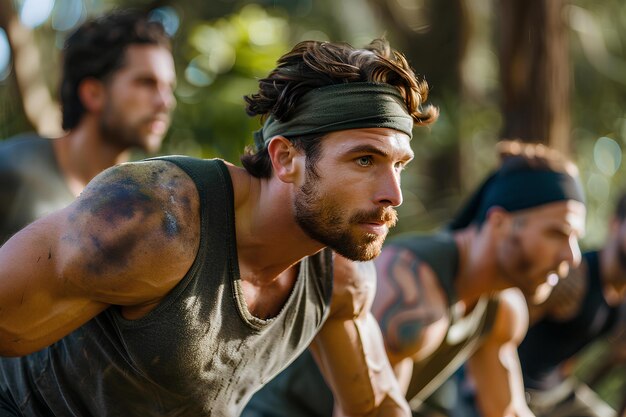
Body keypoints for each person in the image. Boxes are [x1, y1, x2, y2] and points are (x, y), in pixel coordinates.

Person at [0, 38, 439, 416]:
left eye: (399, 165)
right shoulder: (156, 219)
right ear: (286, 158)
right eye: (365, 160)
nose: (393, 194)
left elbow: (374, 406)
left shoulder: (340, 275)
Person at [243, 140, 587, 417]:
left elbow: (507, 409)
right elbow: (365, 411)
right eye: (558, 233)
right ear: (499, 223)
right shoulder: (412, 289)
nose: (572, 256)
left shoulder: (502, 309)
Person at [0, 9, 176, 245]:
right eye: (146, 83)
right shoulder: (10, 169)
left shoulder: (150, 209)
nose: (166, 102)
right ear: (93, 93)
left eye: (168, 87)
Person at [514, 192, 626, 417]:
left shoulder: (621, 303)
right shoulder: (574, 274)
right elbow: (504, 331)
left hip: (559, 394)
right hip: (521, 391)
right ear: (615, 224)